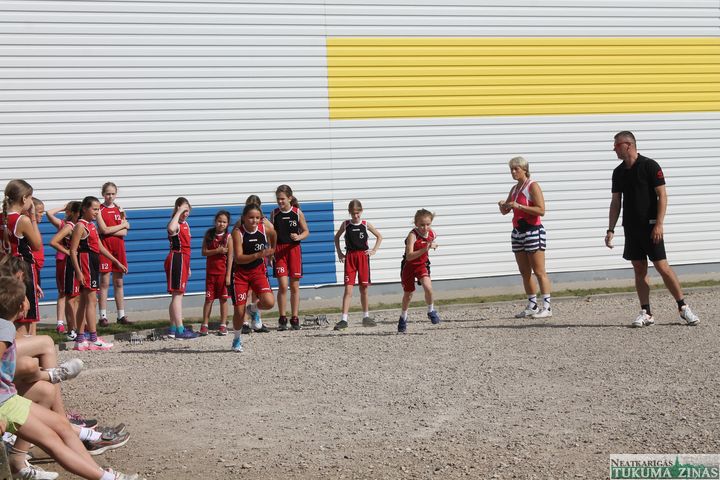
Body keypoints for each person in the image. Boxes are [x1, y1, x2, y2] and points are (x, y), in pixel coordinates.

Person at [0, 275, 143, 480]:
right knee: (52, 441)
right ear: (22, 305)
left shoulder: (5, 326)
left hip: (9, 399)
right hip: (4, 405)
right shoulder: (4, 328)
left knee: (61, 425)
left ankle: (102, 473)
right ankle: (108, 478)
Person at [605, 131, 700, 328]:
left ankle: (683, 307)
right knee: (639, 267)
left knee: (662, 266)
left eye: (616, 145)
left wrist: (659, 223)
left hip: (651, 227)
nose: (614, 149)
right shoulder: (618, 172)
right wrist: (610, 229)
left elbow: (662, 195)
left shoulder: (650, 166)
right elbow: (616, 202)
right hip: (631, 228)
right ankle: (646, 312)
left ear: (628, 145)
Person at [69, 196, 128, 351]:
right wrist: (79, 272)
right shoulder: (80, 226)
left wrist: (116, 261)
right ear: (84, 209)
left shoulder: (91, 225)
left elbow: (100, 247)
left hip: (93, 262)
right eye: (94, 209)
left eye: (98, 209)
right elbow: (73, 251)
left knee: (84, 302)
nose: (97, 212)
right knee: (91, 301)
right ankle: (93, 338)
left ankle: (80, 339)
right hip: (86, 263)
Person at [498, 156, 552, 319]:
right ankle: (532, 305)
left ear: (525, 170)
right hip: (518, 232)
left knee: (539, 271)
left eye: (516, 169)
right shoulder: (515, 189)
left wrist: (519, 206)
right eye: (511, 169)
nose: (513, 172)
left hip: (533, 231)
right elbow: (506, 211)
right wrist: (503, 205)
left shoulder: (532, 186)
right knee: (524, 271)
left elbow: (541, 210)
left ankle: (547, 306)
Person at [228, 203, 276, 352]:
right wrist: (258, 255)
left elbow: (274, 234)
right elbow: (239, 258)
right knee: (239, 311)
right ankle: (236, 339)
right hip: (240, 274)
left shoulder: (264, 228)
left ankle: (253, 309)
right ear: (244, 218)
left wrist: (272, 250)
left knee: (269, 302)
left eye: (257, 217)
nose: (254, 220)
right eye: (251, 217)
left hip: (258, 271)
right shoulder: (238, 233)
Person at [1, 180, 43, 336]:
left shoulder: (2, 217)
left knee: (9, 316)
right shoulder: (22, 220)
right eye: (31, 198)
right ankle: (23, 349)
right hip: (22, 269)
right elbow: (37, 245)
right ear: (24, 198)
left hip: (5, 268)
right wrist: (32, 217)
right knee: (24, 317)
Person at [333, 199, 383, 330]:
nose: (356, 215)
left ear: (361, 211)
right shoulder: (346, 224)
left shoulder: (365, 224)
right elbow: (336, 237)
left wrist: (374, 250)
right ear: (349, 212)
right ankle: (344, 319)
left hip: (362, 257)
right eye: (353, 213)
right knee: (348, 289)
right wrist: (340, 253)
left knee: (364, 288)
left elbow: (379, 236)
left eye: (358, 213)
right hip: (350, 257)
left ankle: (366, 316)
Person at [271, 185, 309, 331]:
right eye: (278, 199)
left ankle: (295, 317)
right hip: (279, 251)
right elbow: (271, 234)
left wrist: (299, 236)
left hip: (294, 250)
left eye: (282, 199)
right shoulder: (274, 213)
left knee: (294, 286)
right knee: (282, 285)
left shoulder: (297, 212)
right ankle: (282, 318)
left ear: (289, 198)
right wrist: (270, 252)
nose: (280, 201)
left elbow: (306, 231)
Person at [398, 209, 440, 333]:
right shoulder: (412, 235)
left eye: (428, 224)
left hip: (422, 265)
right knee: (408, 294)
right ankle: (403, 317)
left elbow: (431, 242)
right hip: (409, 266)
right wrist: (425, 248)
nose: (425, 228)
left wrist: (433, 245)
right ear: (416, 224)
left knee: (428, 288)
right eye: (422, 225)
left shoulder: (432, 233)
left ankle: (431, 310)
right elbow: (409, 256)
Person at [97, 182, 131, 326]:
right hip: (105, 247)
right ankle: (102, 316)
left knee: (119, 282)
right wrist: (121, 226)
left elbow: (125, 232)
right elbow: (103, 230)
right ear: (103, 194)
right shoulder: (99, 209)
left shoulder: (119, 209)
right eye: (107, 194)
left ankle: (121, 315)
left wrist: (115, 229)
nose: (110, 196)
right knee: (104, 282)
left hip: (119, 248)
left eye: (113, 194)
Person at [48, 201, 82, 339]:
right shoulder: (67, 225)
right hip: (66, 262)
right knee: (67, 294)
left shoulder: (81, 225)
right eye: (80, 213)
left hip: (77, 262)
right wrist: (68, 252)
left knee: (77, 296)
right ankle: (67, 326)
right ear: (73, 213)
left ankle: (77, 326)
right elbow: (53, 241)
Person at [165, 197, 197, 339]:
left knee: (177, 296)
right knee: (177, 295)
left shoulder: (186, 224)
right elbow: (171, 229)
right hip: (177, 258)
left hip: (184, 260)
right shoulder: (175, 223)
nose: (185, 213)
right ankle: (180, 329)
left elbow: (187, 247)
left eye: (187, 210)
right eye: (183, 210)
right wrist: (178, 212)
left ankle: (173, 328)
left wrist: (188, 267)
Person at [240, 195, 272, 334]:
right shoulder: (242, 222)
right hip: (245, 262)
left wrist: (270, 253)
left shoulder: (263, 222)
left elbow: (272, 234)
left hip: (259, 262)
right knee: (246, 293)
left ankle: (256, 320)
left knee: (258, 293)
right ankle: (244, 322)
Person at [200, 210, 231, 336]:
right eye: (219, 221)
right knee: (209, 300)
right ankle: (204, 325)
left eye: (224, 222)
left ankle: (223, 325)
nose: (221, 224)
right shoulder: (209, 234)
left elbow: (231, 257)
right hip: (211, 274)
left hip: (222, 274)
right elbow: (204, 252)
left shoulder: (228, 237)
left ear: (227, 223)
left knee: (223, 299)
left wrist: (228, 275)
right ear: (215, 221)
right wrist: (217, 250)